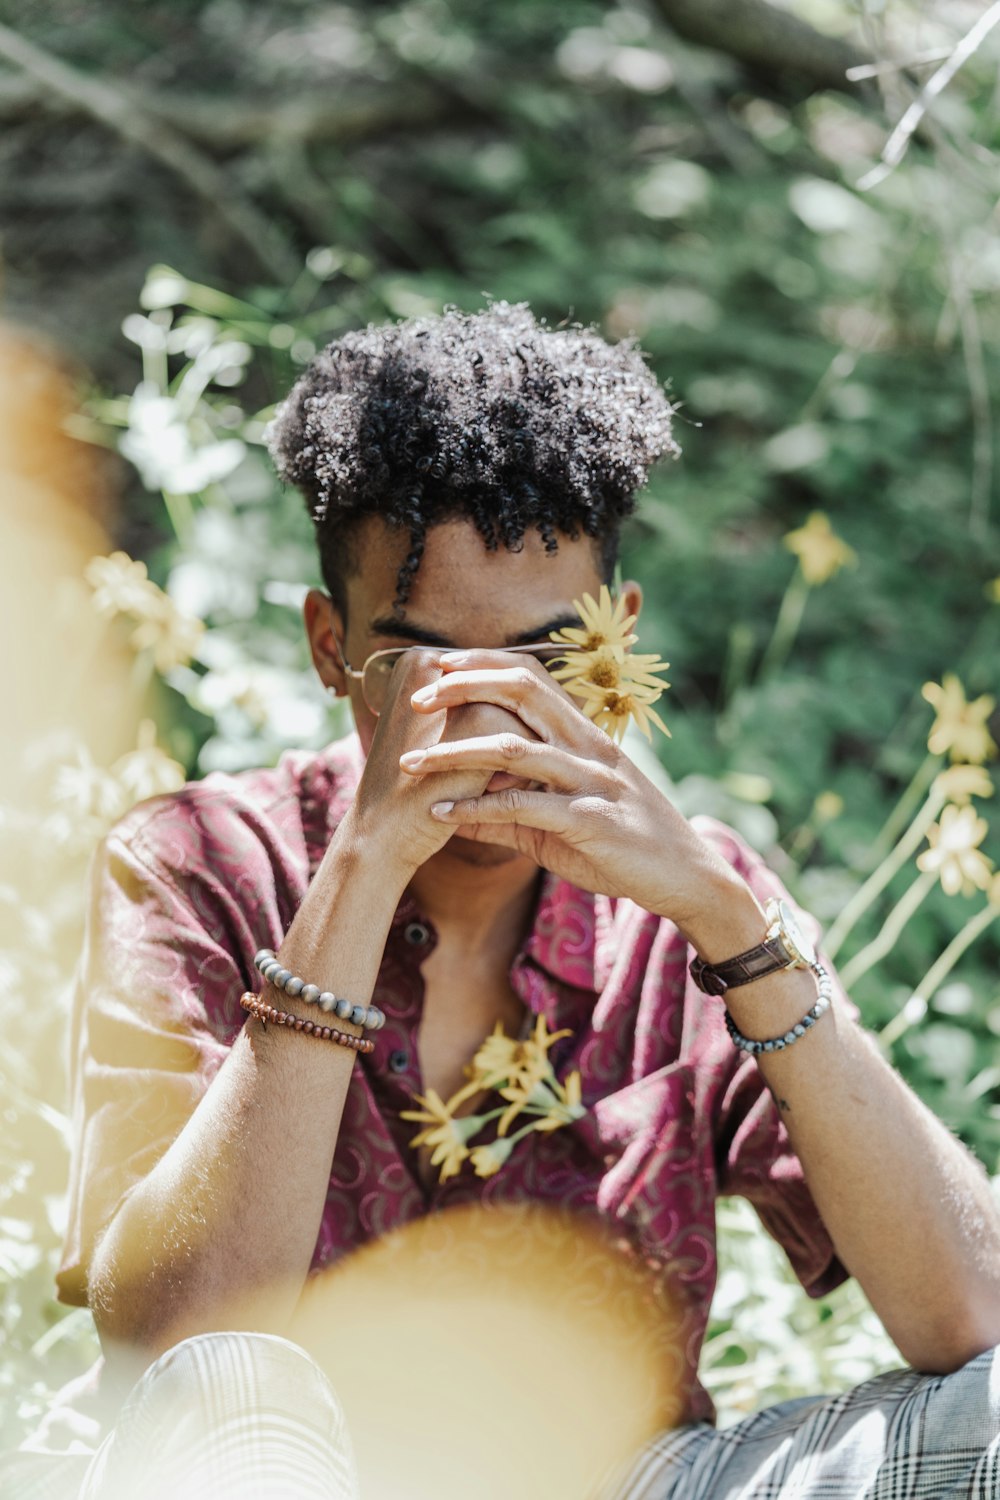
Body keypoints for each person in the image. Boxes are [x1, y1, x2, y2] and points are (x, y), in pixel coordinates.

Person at [5, 300, 1000, 1500]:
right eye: (422, 669)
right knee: (224, 1383)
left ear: (617, 636)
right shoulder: (204, 863)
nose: (486, 726)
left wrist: (735, 930)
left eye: (542, 667)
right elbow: (170, 1345)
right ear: (331, 648)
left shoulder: (692, 896)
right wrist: (359, 875)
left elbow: (970, 1319)